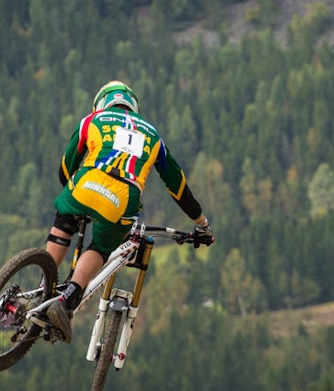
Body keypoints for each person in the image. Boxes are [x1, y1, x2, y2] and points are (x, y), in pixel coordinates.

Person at [43, 79, 213, 341]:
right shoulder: (153, 135)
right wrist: (201, 221)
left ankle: (45, 285)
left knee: (64, 219)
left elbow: (65, 169)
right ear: (133, 106)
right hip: (123, 197)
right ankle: (67, 299)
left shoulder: (92, 120)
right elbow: (177, 186)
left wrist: (75, 202)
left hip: (87, 183)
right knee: (101, 246)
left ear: (102, 102)